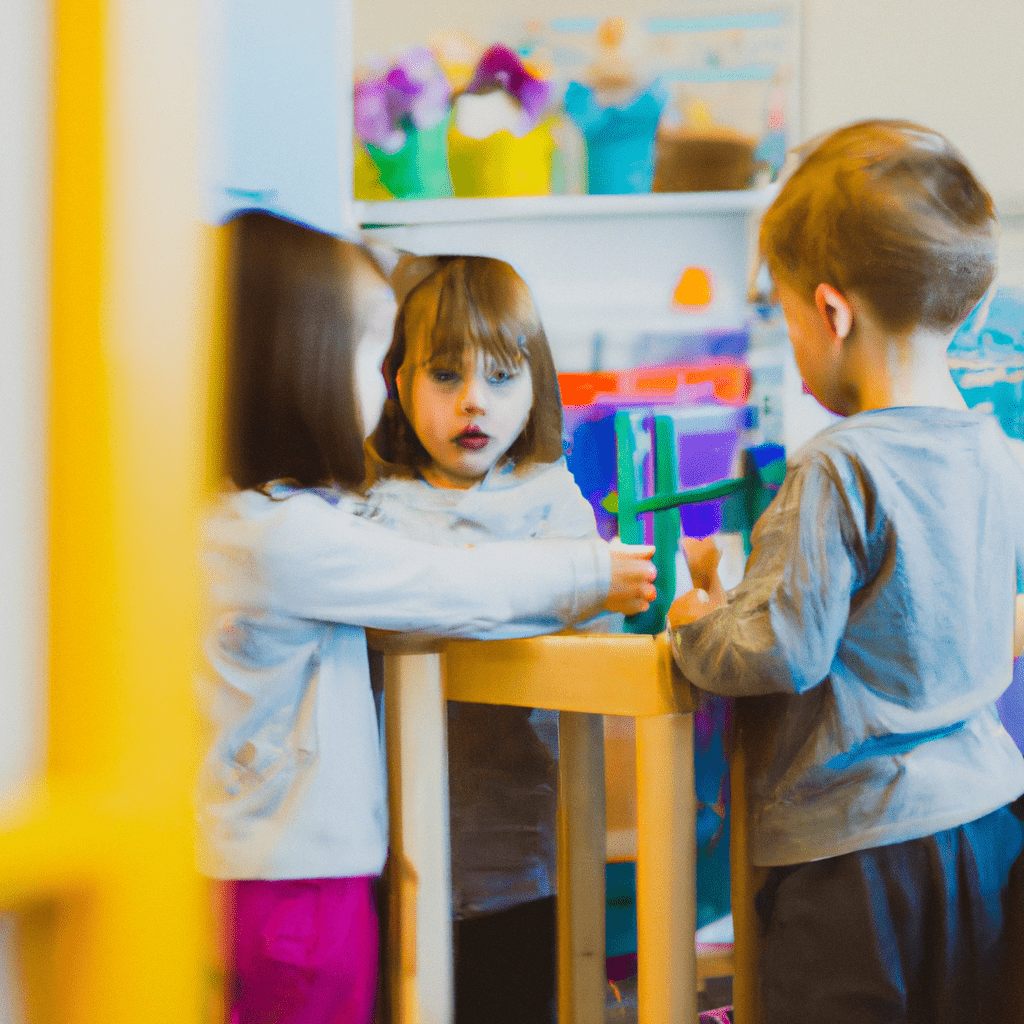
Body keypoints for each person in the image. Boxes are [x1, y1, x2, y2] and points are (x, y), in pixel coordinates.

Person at [197, 211, 657, 1024]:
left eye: (501, 376)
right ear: (298, 365)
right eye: (376, 357)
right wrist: (588, 570)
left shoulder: (263, 517)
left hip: (451, 858)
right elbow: (442, 585)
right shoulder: (293, 532)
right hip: (302, 872)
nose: (375, 383)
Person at [667, 119, 1024, 1023]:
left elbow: (781, 651)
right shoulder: (994, 450)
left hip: (857, 857)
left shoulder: (839, 465)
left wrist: (695, 623)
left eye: (784, 316)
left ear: (830, 312)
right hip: (986, 830)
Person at [362, 254, 601, 1024]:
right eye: (445, 376)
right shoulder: (377, 503)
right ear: (399, 384)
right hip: (391, 852)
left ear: (536, 390)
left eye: (502, 378)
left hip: (520, 854)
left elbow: (590, 624)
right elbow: (389, 606)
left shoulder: (551, 494)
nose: (475, 402)